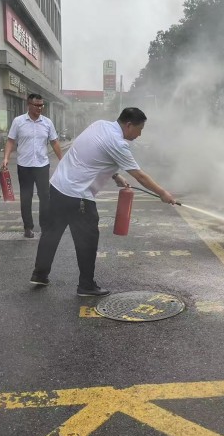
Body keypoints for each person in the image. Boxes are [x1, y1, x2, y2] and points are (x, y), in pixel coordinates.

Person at [30, 107, 176, 296]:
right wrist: (163, 193)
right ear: (129, 125)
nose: (139, 135)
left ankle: (40, 274)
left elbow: (92, 154)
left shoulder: (100, 125)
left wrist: (115, 175)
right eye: (139, 129)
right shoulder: (118, 143)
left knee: (51, 233)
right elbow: (139, 176)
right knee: (87, 240)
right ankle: (86, 285)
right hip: (78, 195)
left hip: (58, 187)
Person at [2, 94, 63, 238]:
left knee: (45, 197)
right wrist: (6, 158)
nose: (40, 108)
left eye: (42, 105)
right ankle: (28, 227)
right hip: (24, 166)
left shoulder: (47, 122)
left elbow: (54, 142)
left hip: (42, 165)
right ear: (28, 105)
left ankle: (45, 226)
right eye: (37, 105)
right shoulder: (18, 121)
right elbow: (10, 141)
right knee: (26, 197)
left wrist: (62, 160)